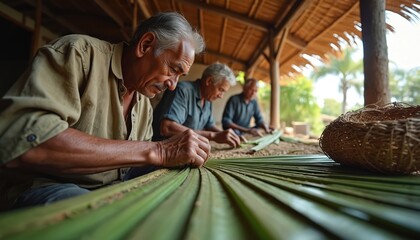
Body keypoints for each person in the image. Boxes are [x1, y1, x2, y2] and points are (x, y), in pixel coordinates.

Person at [0, 12, 208, 210]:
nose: (173, 85)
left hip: (109, 189)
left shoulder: (144, 103)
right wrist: (158, 151)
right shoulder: (77, 54)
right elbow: (25, 142)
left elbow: (130, 165)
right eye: (173, 69)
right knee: (100, 215)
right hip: (46, 188)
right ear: (145, 45)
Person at [152, 63, 241, 147]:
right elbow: (167, 127)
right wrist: (213, 136)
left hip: (186, 148)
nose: (221, 96)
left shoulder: (208, 99)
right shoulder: (183, 90)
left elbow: (209, 125)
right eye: (221, 90)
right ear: (209, 81)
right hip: (162, 150)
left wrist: (228, 135)